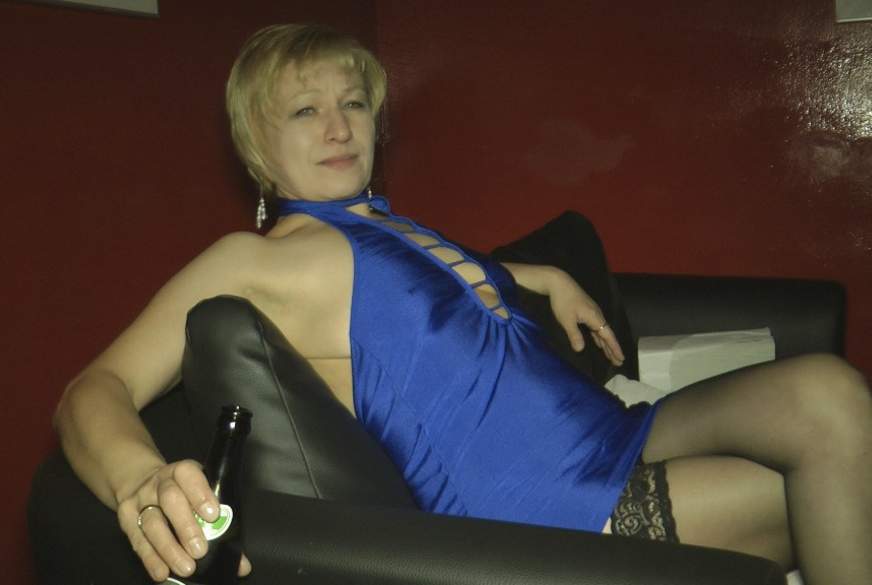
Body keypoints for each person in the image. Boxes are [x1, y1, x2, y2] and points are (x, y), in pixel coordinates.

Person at [53, 23, 871, 585]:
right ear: (257, 147)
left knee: (826, 390)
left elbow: (421, 294)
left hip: (615, 433)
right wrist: (140, 480)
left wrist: (534, 276)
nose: (339, 127)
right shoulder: (252, 261)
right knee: (836, 494)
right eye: (306, 110)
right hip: (552, 509)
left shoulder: (389, 225)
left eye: (353, 103)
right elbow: (93, 389)